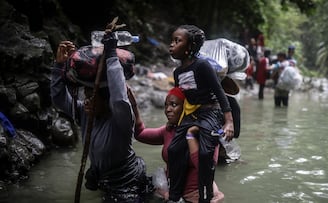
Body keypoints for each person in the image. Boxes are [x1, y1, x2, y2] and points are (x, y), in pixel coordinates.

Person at [51, 31, 151, 202]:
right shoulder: (85, 113)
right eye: (85, 95)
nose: (86, 101)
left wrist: (112, 56)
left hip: (128, 182)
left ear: (107, 100)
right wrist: (59, 66)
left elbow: (119, 98)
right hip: (105, 179)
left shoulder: (121, 120)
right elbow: (60, 100)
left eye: (92, 96)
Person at [167, 24, 234, 203]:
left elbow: (219, 92)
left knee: (205, 154)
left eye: (177, 41)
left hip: (212, 112)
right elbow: (180, 98)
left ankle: (206, 197)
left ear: (189, 47)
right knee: (174, 149)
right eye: (172, 41)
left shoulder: (202, 65)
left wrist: (229, 122)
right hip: (192, 114)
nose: (171, 45)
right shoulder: (177, 72)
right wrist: (174, 120)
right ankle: (174, 196)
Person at [128, 87, 224, 203]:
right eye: (166, 105)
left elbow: (205, 168)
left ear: (187, 108)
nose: (168, 109)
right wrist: (134, 105)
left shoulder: (204, 132)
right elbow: (140, 134)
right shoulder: (169, 130)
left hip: (195, 197)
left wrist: (190, 135)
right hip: (171, 193)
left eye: (173, 105)